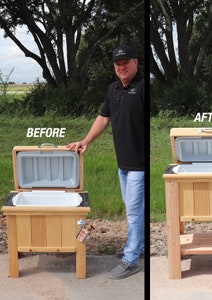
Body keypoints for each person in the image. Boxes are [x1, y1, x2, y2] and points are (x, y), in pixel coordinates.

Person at [67, 45, 144, 280]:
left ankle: (131, 260)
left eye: (125, 62)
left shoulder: (143, 87)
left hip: (140, 164)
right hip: (123, 163)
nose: (121, 67)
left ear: (136, 62)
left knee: (133, 212)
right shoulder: (113, 89)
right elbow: (103, 117)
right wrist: (86, 140)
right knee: (135, 210)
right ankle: (137, 247)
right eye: (117, 64)